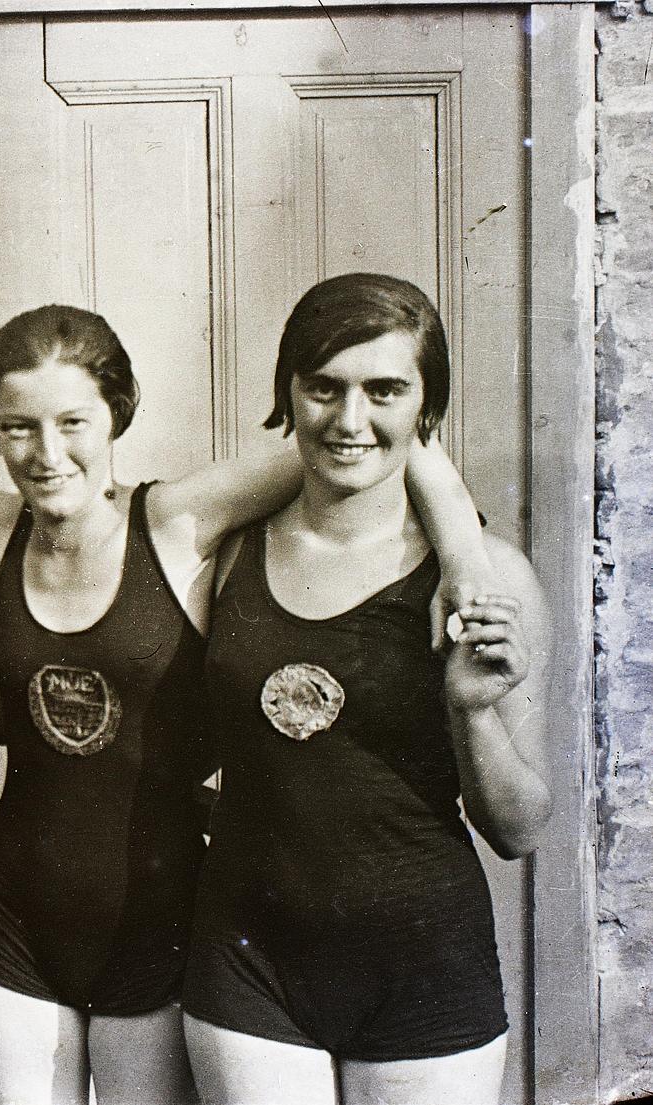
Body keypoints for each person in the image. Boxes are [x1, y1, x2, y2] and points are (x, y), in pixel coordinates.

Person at [0, 302, 486, 1105]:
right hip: (14, 930)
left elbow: (360, 445)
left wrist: (464, 554)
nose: (47, 454)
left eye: (72, 422)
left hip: (159, 926)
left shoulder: (176, 522)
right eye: (18, 428)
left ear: (117, 412)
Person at [179, 273, 552, 1105]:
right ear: (288, 394)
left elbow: (520, 827)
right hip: (249, 966)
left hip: (424, 972)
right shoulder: (226, 557)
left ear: (427, 407)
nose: (350, 420)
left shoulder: (490, 584)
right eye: (324, 387)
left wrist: (472, 711)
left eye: (384, 390)